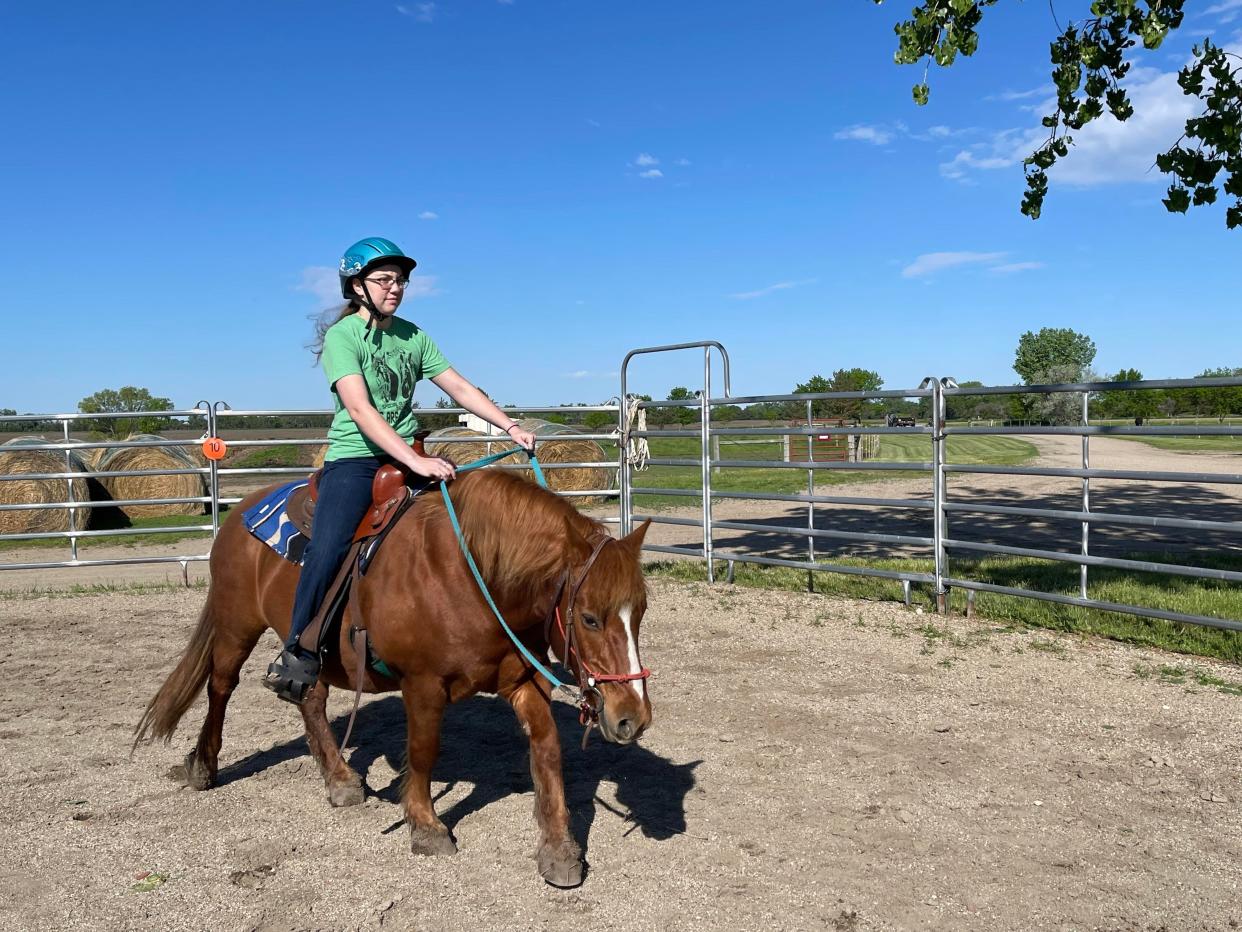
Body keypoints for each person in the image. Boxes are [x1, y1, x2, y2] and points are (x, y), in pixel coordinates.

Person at [263, 236, 537, 703]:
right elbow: (360, 408)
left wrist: (510, 425)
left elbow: (459, 387)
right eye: (384, 279)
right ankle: (300, 650)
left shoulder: (413, 335)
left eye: (401, 280)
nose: (396, 288)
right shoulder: (342, 337)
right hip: (356, 458)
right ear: (356, 285)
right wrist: (413, 461)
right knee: (328, 546)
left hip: (412, 452)